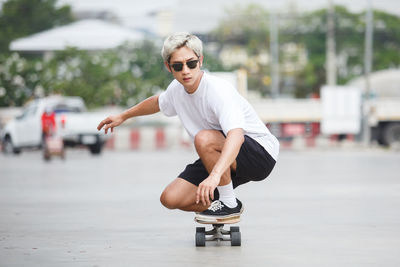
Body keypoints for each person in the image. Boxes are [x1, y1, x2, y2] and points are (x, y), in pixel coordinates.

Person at [97, 32, 279, 223]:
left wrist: (214, 176)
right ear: (169, 67)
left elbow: (236, 136)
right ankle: (226, 202)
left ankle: (228, 203)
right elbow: (157, 102)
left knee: (203, 138)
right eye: (178, 66)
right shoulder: (176, 91)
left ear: (200, 61)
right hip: (221, 153)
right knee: (170, 198)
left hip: (260, 154)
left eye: (191, 63)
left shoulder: (218, 91)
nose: (186, 71)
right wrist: (123, 116)